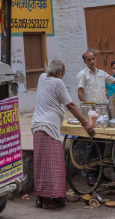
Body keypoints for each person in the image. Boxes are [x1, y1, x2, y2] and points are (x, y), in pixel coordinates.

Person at [31, 60, 95, 209]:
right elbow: (71, 105)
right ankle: (48, 200)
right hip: (48, 127)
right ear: (59, 73)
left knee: (42, 165)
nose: (63, 75)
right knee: (53, 165)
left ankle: (41, 199)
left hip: (38, 126)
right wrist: (85, 123)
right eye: (63, 73)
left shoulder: (42, 77)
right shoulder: (57, 83)